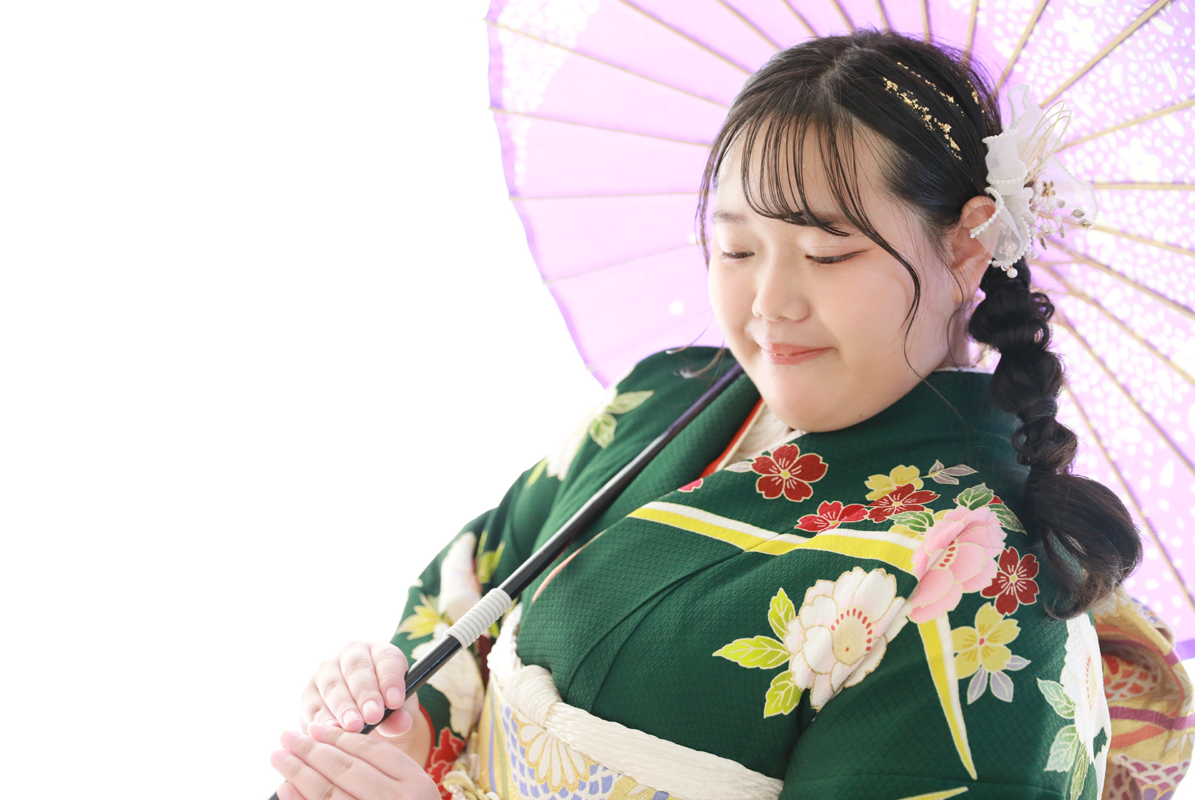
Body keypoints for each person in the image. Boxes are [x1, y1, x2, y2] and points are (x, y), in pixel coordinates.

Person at [267, 29, 1192, 800]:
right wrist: (406, 715)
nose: (769, 304)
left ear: (965, 246)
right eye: (738, 248)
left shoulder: (985, 591)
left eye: (826, 253)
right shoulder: (663, 398)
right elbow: (473, 584)